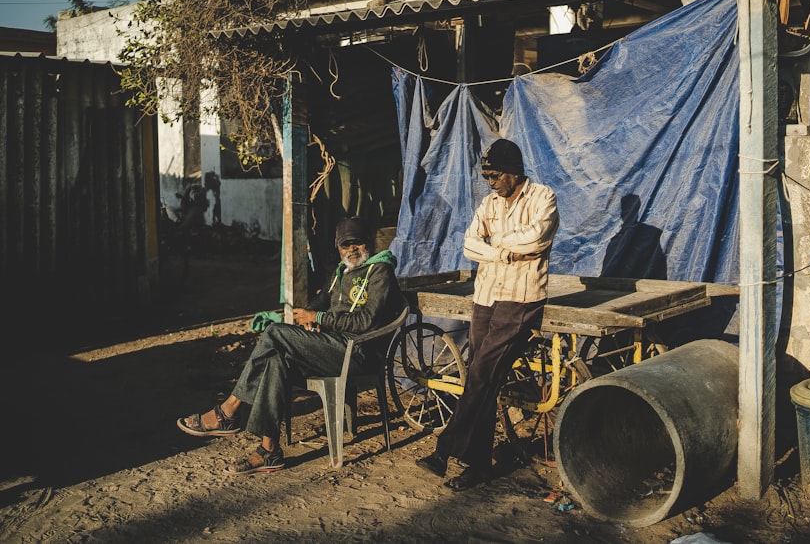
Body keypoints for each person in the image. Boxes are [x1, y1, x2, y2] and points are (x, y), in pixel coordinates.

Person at [177, 216, 407, 474]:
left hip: (358, 352)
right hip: (333, 347)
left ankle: (228, 410)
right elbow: (321, 301)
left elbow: (366, 321)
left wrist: (319, 318)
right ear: (337, 246)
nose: (352, 249)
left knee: (275, 332)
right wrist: (310, 314)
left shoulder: (380, 271)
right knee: (276, 361)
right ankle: (269, 450)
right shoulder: (342, 272)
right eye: (346, 245)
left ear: (369, 244)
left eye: (358, 243)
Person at [416, 138, 559, 491]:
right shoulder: (488, 204)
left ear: (513, 172)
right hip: (486, 297)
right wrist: (504, 252)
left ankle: (445, 449)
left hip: (520, 299)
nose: (491, 181)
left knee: (480, 374)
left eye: (495, 175)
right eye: (487, 176)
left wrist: (493, 244)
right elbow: (468, 244)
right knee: (484, 381)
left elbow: (537, 238)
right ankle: (477, 465)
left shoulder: (543, 197)